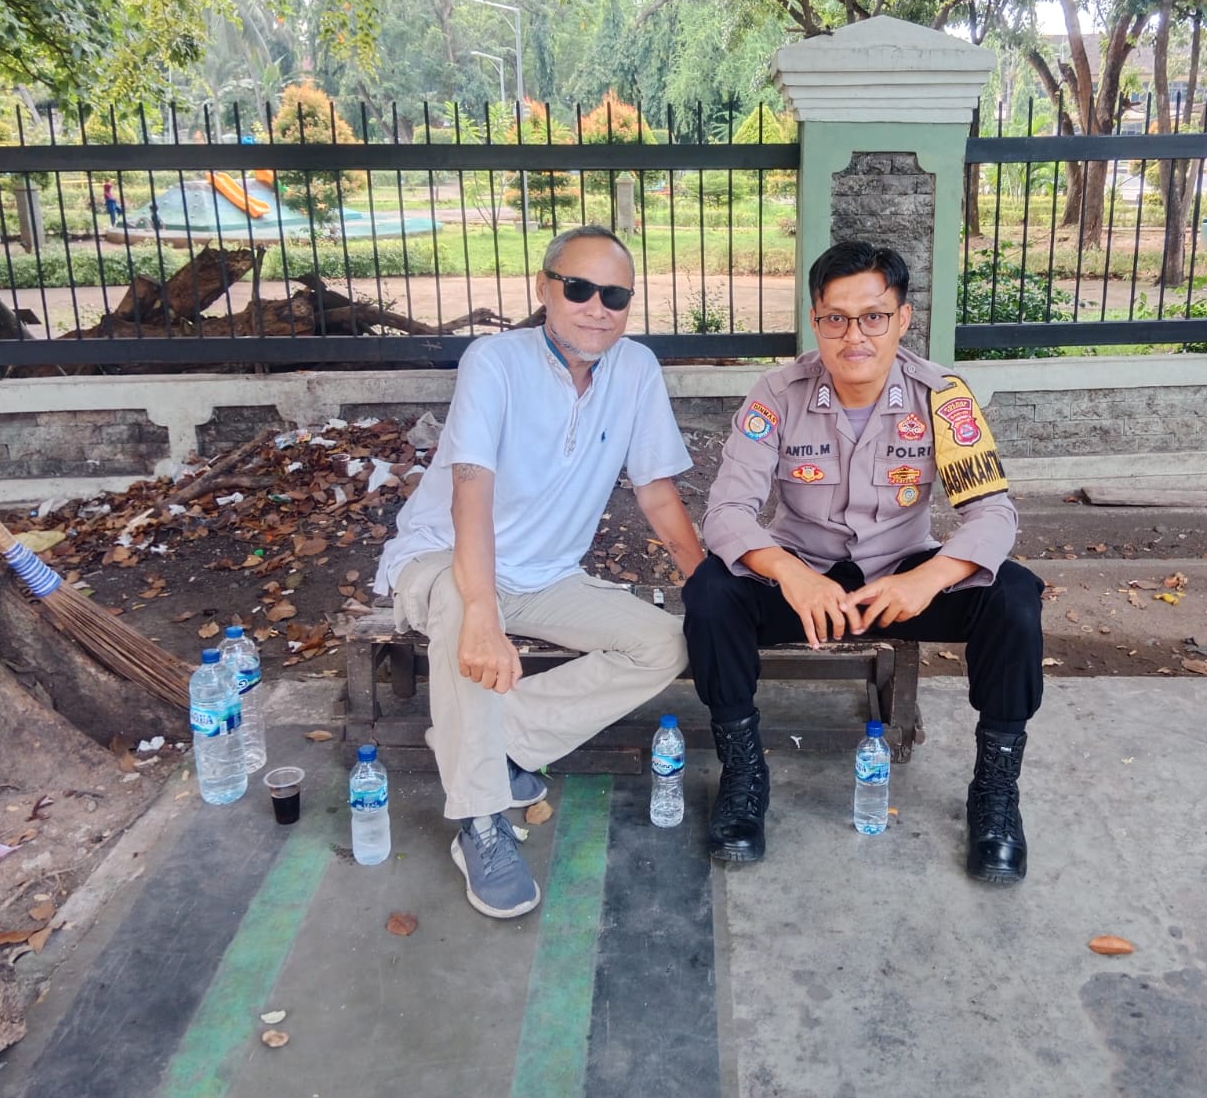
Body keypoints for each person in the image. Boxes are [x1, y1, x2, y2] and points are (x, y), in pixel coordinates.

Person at [683, 241, 1045, 883]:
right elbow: (726, 512)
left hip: (901, 575)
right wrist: (791, 575)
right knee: (712, 592)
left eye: (873, 316)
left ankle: (995, 792)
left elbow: (993, 514)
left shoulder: (943, 397)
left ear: (903, 318)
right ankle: (743, 775)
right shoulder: (777, 395)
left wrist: (929, 578)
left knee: (1013, 597)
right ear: (815, 321)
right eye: (836, 318)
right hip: (805, 578)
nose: (855, 336)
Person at [374, 225, 703, 918]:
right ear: (544, 288)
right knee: (465, 613)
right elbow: (470, 488)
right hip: (444, 557)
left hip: (548, 574)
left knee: (664, 643)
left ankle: (494, 743)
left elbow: (656, 491)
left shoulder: (636, 369)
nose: (597, 309)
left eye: (615, 296)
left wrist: (705, 582)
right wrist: (482, 611)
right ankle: (480, 820)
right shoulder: (495, 360)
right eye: (579, 289)